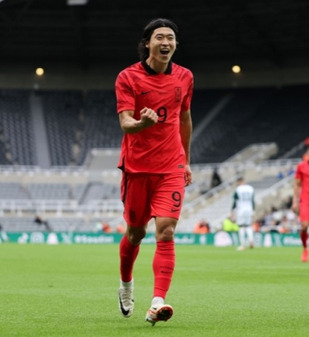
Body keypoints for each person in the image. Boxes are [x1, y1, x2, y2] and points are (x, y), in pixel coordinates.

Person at [115, 18, 193, 326]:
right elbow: (125, 123)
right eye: (159, 37)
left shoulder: (185, 77)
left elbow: (184, 118)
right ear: (147, 43)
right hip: (137, 167)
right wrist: (141, 124)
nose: (166, 42)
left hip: (171, 166)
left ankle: (157, 302)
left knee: (167, 231)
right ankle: (125, 283)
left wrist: (186, 160)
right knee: (136, 233)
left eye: (171, 38)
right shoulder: (128, 78)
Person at [231, 177, 255, 250]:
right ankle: (251, 240)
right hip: (249, 209)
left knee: (241, 226)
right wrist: (253, 210)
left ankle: (242, 245)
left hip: (241, 209)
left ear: (239, 182)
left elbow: (235, 201)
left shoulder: (238, 189)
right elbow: (252, 200)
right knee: (248, 225)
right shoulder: (251, 188)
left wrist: (232, 211)